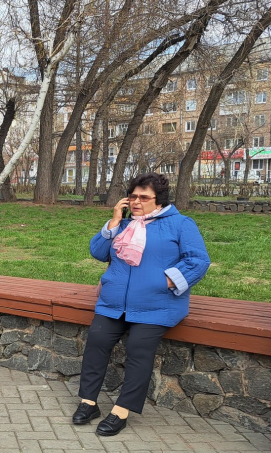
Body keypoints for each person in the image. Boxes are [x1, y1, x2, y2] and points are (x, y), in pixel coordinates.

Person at [71, 173, 210, 437]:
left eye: (143, 197)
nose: (136, 202)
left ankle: (121, 410)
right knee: (97, 340)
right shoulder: (123, 225)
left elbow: (198, 261)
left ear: (159, 200)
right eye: (132, 196)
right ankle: (88, 402)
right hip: (114, 303)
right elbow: (98, 252)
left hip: (157, 305)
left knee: (138, 348)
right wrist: (114, 221)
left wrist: (166, 281)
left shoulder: (181, 224)